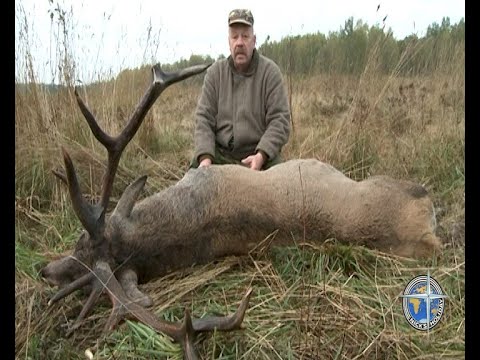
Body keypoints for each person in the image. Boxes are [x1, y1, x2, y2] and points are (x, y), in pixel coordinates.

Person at [191, 8, 291, 171]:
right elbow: (204, 119)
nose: (239, 42)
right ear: (228, 41)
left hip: (259, 156)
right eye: (234, 36)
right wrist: (205, 158)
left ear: (254, 40)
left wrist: (262, 154)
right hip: (221, 155)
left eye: (245, 36)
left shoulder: (270, 73)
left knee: (283, 184)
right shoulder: (215, 74)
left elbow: (280, 120)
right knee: (192, 183)